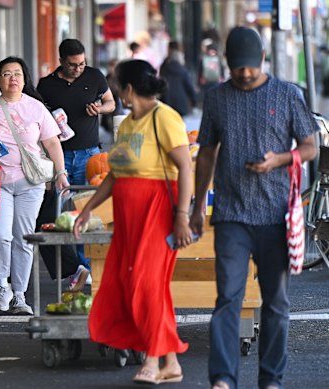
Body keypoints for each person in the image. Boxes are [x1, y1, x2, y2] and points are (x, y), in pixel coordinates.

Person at [189, 27, 319, 389]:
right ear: (227, 65)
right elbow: (207, 154)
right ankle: (223, 379)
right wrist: (198, 206)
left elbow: (310, 147)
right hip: (231, 214)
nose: (244, 75)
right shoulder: (216, 98)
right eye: (236, 69)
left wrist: (279, 159)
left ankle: (271, 379)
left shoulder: (288, 94)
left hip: (276, 216)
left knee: (276, 303)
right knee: (227, 298)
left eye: (249, 68)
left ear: (262, 59)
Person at [73, 59, 193, 385]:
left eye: (116, 84)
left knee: (147, 284)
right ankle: (172, 363)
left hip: (158, 214)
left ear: (127, 88)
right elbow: (115, 174)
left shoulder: (165, 117)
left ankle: (153, 360)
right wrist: (88, 210)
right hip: (129, 218)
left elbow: (186, 168)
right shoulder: (125, 125)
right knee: (137, 285)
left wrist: (182, 217)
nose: (112, 89)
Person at [0, 56, 69, 315]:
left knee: (23, 238)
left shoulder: (36, 108)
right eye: (7, 74)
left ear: (24, 79)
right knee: (0, 235)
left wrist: (61, 172)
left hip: (30, 183)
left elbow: (52, 142)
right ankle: (1, 286)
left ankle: (20, 294)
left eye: (18, 74)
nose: (13, 78)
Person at [37, 38, 115, 277]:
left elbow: (111, 103)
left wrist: (100, 109)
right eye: (73, 65)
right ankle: (73, 270)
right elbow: (39, 118)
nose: (78, 69)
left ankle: (88, 268)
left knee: (87, 212)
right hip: (58, 156)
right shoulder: (46, 85)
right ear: (61, 62)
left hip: (90, 154)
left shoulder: (94, 76)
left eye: (82, 64)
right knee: (54, 216)